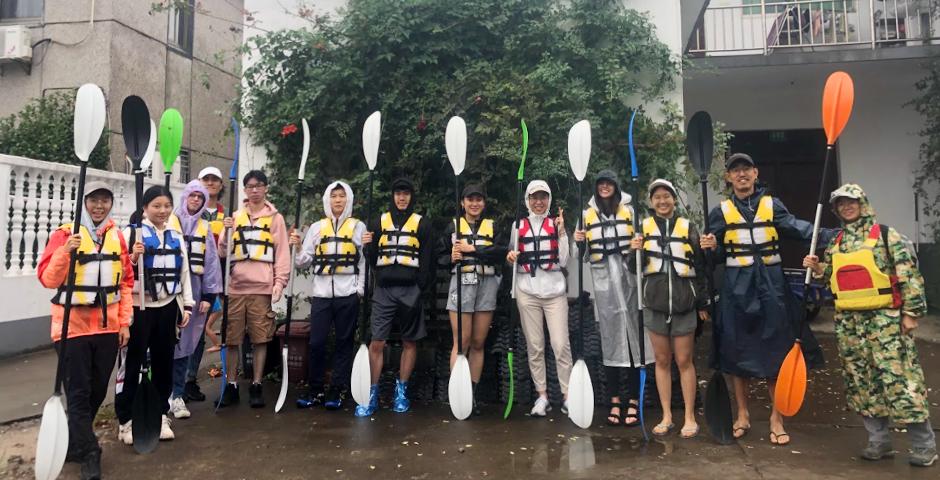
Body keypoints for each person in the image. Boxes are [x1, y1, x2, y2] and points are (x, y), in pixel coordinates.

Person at [803, 184, 936, 467]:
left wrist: (911, 314)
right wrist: (818, 269)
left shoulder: (887, 236)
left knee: (901, 382)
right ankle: (879, 441)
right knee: (863, 384)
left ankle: (924, 445)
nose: (847, 207)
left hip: (885, 322)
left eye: (852, 202)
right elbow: (835, 280)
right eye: (841, 204)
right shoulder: (837, 242)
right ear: (836, 210)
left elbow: (909, 276)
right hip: (850, 326)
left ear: (863, 203)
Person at [700, 153, 824, 446]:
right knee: (736, 351)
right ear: (728, 178)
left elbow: (799, 229)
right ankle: (742, 415)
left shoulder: (772, 205)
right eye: (735, 171)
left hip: (771, 285)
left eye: (746, 169)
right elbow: (714, 258)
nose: (741, 175)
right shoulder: (720, 212)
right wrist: (707, 247)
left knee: (776, 352)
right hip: (736, 287)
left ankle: (776, 418)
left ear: (755, 173)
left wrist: (829, 235)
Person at [37, 181, 133, 480]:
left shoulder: (117, 236)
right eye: (93, 200)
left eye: (104, 200)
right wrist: (66, 252)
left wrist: (124, 322)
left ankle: (74, 442)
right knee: (78, 394)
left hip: (106, 328)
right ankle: (91, 452)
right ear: (84, 203)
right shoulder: (65, 235)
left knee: (95, 391)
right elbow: (48, 279)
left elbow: (126, 282)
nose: (99, 206)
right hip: (72, 328)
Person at [628, 178, 709, 438]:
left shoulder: (688, 228)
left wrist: (702, 302)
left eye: (667, 196)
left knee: (684, 360)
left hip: (684, 303)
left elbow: (702, 266)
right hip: (655, 304)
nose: (662, 201)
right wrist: (634, 250)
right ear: (651, 203)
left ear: (674, 199)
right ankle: (666, 416)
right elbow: (633, 267)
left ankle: (689, 416)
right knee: (662, 361)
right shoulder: (642, 228)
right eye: (657, 198)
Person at [116, 186, 194, 444]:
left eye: (166, 206)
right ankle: (126, 420)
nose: (162, 211)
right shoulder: (131, 233)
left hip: (168, 306)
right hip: (140, 309)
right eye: (156, 206)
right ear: (145, 208)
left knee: (164, 364)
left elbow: (184, 272)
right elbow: (120, 271)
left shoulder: (175, 234)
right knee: (132, 364)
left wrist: (188, 304)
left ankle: (161, 414)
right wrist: (132, 256)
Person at [572, 170, 650, 427]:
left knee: (632, 339)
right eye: (601, 184)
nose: (604, 187)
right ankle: (615, 400)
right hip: (603, 282)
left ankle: (632, 400)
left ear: (616, 188)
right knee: (610, 340)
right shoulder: (586, 216)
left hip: (628, 279)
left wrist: (639, 245)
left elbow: (644, 247)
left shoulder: (631, 211)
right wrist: (579, 241)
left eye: (609, 184)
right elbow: (579, 254)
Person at [356, 177, 434, 416]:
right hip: (384, 290)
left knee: (410, 342)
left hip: (410, 289)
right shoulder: (379, 222)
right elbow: (371, 258)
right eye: (398, 193)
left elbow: (428, 260)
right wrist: (367, 247)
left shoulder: (422, 224)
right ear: (392, 196)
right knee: (377, 342)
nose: (402, 198)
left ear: (411, 197)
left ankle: (402, 391)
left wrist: (419, 286)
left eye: (406, 194)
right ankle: (371, 393)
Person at [217, 170, 291, 408]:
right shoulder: (235, 217)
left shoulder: (275, 219)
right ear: (245, 190)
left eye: (259, 186)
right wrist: (226, 231)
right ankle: (231, 385)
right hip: (236, 287)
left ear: (266, 188)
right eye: (250, 186)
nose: (255, 190)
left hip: (262, 287)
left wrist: (279, 282)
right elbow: (222, 251)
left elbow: (281, 254)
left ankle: (257, 384)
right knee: (232, 339)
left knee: (260, 339)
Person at [290, 181, 366, 410]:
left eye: (342, 196)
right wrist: (297, 246)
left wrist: (359, 290)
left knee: (344, 343)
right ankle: (315, 390)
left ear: (348, 199)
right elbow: (303, 261)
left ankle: (337, 389)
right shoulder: (317, 227)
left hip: (347, 294)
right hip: (322, 294)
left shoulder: (357, 227)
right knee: (317, 343)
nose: (338, 200)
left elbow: (363, 261)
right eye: (334, 196)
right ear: (328, 200)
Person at [438, 183, 507, 415]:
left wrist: (472, 250)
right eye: (470, 200)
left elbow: (500, 252)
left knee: (478, 342)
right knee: (462, 341)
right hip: (462, 283)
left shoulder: (493, 226)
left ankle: (472, 394)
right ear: (463, 203)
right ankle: (457, 393)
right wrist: (451, 255)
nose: (474, 203)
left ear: (483, 203)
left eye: (478, 200)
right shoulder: (453, 227)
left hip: (486, 285)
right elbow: (438, 257)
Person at [506, 180, 573, 417]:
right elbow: (511, 255)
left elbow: (564, 260)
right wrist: (511, 256)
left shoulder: (557, 225)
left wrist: (563, 232)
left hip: (555, 292)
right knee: (535, 346)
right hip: (527, 291)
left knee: (560, 345)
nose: (538, 202)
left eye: (543, 197)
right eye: (534, 197)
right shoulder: (518, 225)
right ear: (528, 200)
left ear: (549, 200)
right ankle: (542, 395)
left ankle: (567, 396)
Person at [168, 180, 222, 419]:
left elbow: (210, 264)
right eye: (193, 196)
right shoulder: (169, 222)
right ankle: (161, 394)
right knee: (164, 345)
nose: (196, 200)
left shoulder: (204, 228)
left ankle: (177, 395)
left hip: (196, 292)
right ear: (185, 197)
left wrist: (210, 296)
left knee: (185, 346)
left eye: (200, 197)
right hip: (168, 292)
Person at [182, 167, 228, 402]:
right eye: (205, 180)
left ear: (221, 185)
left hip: (210, 281)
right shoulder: (180, 213)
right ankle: (174, 381)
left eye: (215, 180)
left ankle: (189, 380)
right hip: (181, 282)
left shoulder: (225, 216)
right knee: (179, 330)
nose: (210, 184)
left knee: (198, 332)